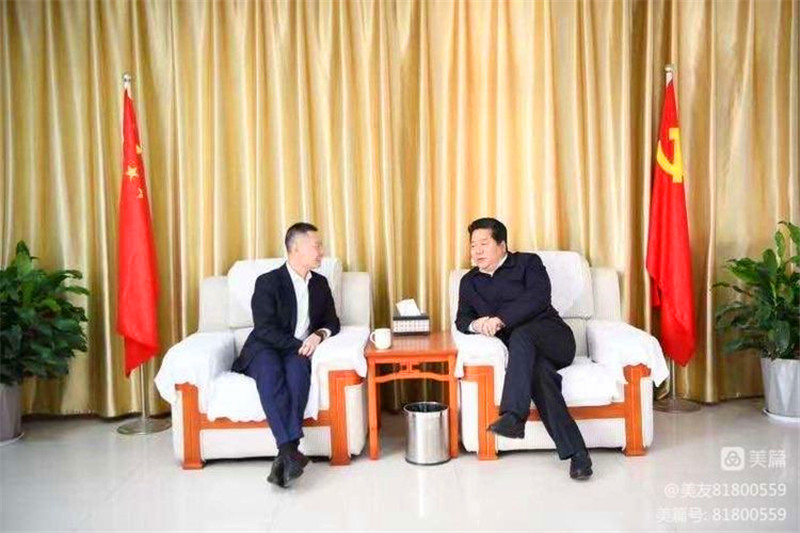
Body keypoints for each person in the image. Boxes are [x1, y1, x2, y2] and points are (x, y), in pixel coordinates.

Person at [454, 217, 593, 480]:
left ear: (502, 245)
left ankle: (513, 415)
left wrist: (499, 319)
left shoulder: (528, 263)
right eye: (473, 245)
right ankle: (578, 456)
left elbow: (538, 298)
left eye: (484, 244)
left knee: (521, 334)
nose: (477, 251)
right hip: (525, 357)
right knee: (540, 377)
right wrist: (478, 323)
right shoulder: (469, 282)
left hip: (555, 340)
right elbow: (461, 320)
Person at [232, 222, 340, 488]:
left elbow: (332, 321)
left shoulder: (320, 284)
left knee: (299, 371)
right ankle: (290, 449)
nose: (321, 252)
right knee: (270, 373)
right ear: (296, 249)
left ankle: (286, 455)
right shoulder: (268, 282)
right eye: (316, 246)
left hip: (297, 350)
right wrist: (298, 345)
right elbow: (264, 329)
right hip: (265, 347)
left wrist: (318, 335)